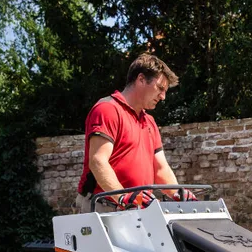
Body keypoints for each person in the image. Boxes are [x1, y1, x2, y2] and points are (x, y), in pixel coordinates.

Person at [75, 54, 188, 212]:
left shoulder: (149, 122)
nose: (163, 96)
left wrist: (179, 195)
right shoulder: (107, 109)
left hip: (135, 209)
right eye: (160, 88)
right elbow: (98, 161)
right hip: (103, 207)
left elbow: (161, 169)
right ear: (141, 79)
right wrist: (123, 198)